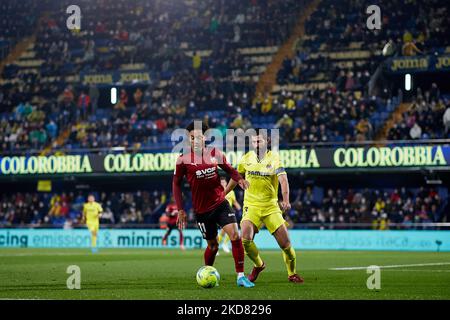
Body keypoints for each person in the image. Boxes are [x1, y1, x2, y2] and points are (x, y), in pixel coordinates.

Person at [172, 121, 254, 288]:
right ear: (189, 139)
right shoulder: (182, 160)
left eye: (200, 137)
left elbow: (230, 169)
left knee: (235, 236)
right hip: (202, 210)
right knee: (213, 245)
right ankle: (208, 272)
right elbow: (176, 184)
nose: (197, 140)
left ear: (205, 138)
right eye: (194, 137)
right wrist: (180, 209)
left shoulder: (215, 153)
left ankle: (240, 276)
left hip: (220, 203)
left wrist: (240, 179)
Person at [225, 129, 304, 283]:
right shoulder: (246, 158)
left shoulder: (275, 159)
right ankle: (259, 265)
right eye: (253, 141)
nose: (256, 144)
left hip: (270, 207)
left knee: (286, 245)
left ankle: (291, 273)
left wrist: (286, 199)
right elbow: (236, 176)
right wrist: (224, 192)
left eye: (259, 141)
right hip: (251, 205)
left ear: (267, 142)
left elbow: (283, 180)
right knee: (245, 240)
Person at [217, 177, 242, 254]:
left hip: (229, 213)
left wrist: (240, 209)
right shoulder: (218, 192)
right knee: (225, 231)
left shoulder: (231, 192)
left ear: (226, 183)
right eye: (221, 182)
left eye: (224, 182)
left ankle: (219, 246)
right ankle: (222, 245)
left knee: (227, 231)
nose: (222, 184)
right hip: (220, 214)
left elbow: (234, 202)